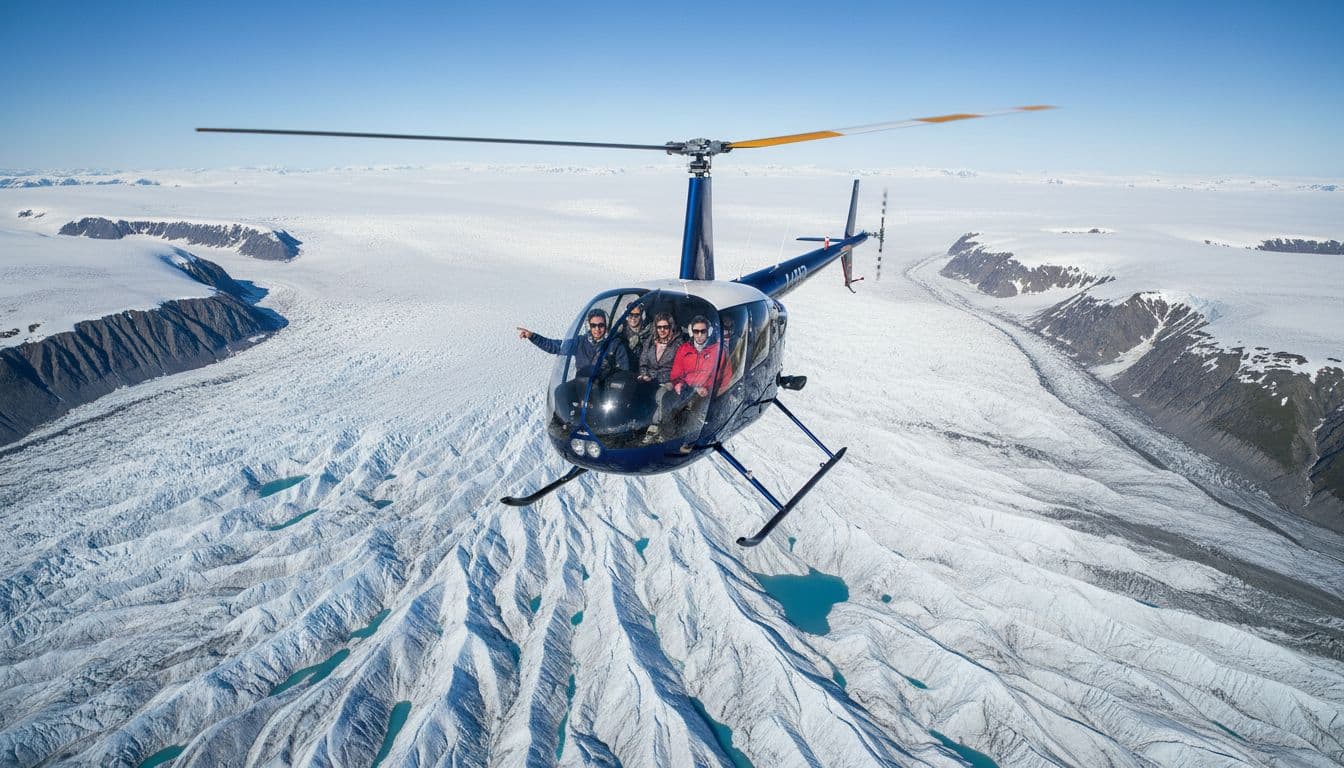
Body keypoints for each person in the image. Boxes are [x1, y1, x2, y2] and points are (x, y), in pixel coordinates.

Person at [643, 315, 731, 442]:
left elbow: (725, 378)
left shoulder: (718, 351)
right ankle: (667, 437)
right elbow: (676, 373)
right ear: (691, 332)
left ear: (709, 332)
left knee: (694, 415)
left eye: (703, 331)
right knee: (667, 400)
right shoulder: (684, 349)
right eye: (696, 331)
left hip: (706, 392)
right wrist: (678, 383)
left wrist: (711, 391)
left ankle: (690, 439)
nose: (699, 335)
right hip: (687, 388)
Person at [517, 307, 631, 378]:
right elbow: (555, 347)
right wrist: (533, 336)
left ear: (606, 326)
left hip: (605, 393)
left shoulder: (615, 345)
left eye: (601, 325)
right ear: (589, 326)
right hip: (582, 388)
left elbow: (623, 372)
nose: (597, 329)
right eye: (594, 325)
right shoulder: (580, 342)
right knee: (561, 393)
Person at [638, 311, 684, 384]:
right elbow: (643, 362)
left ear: (671, 327)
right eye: (659, 327)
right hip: (648, 380)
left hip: (667, 383)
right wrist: (644, 374)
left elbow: (678, 370)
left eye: (665, 327)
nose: (662, 330)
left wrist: (656, 379)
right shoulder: (650, 341)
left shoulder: (678, 345)